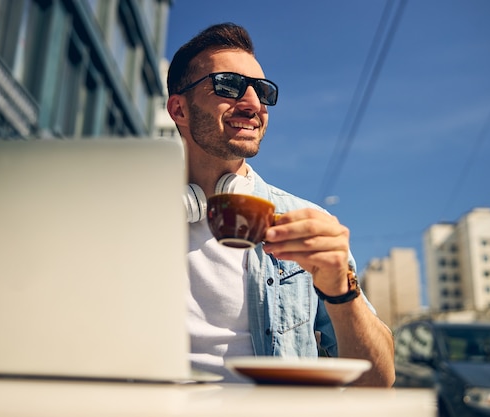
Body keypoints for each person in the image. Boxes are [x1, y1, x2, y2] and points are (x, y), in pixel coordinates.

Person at [167, 22, 394, 387]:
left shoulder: (306, 223)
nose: (254, 104)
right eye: (229, 85)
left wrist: (342, 291)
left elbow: (378, 382)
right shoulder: (128, 218)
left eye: (263, 91)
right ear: (179, 109)